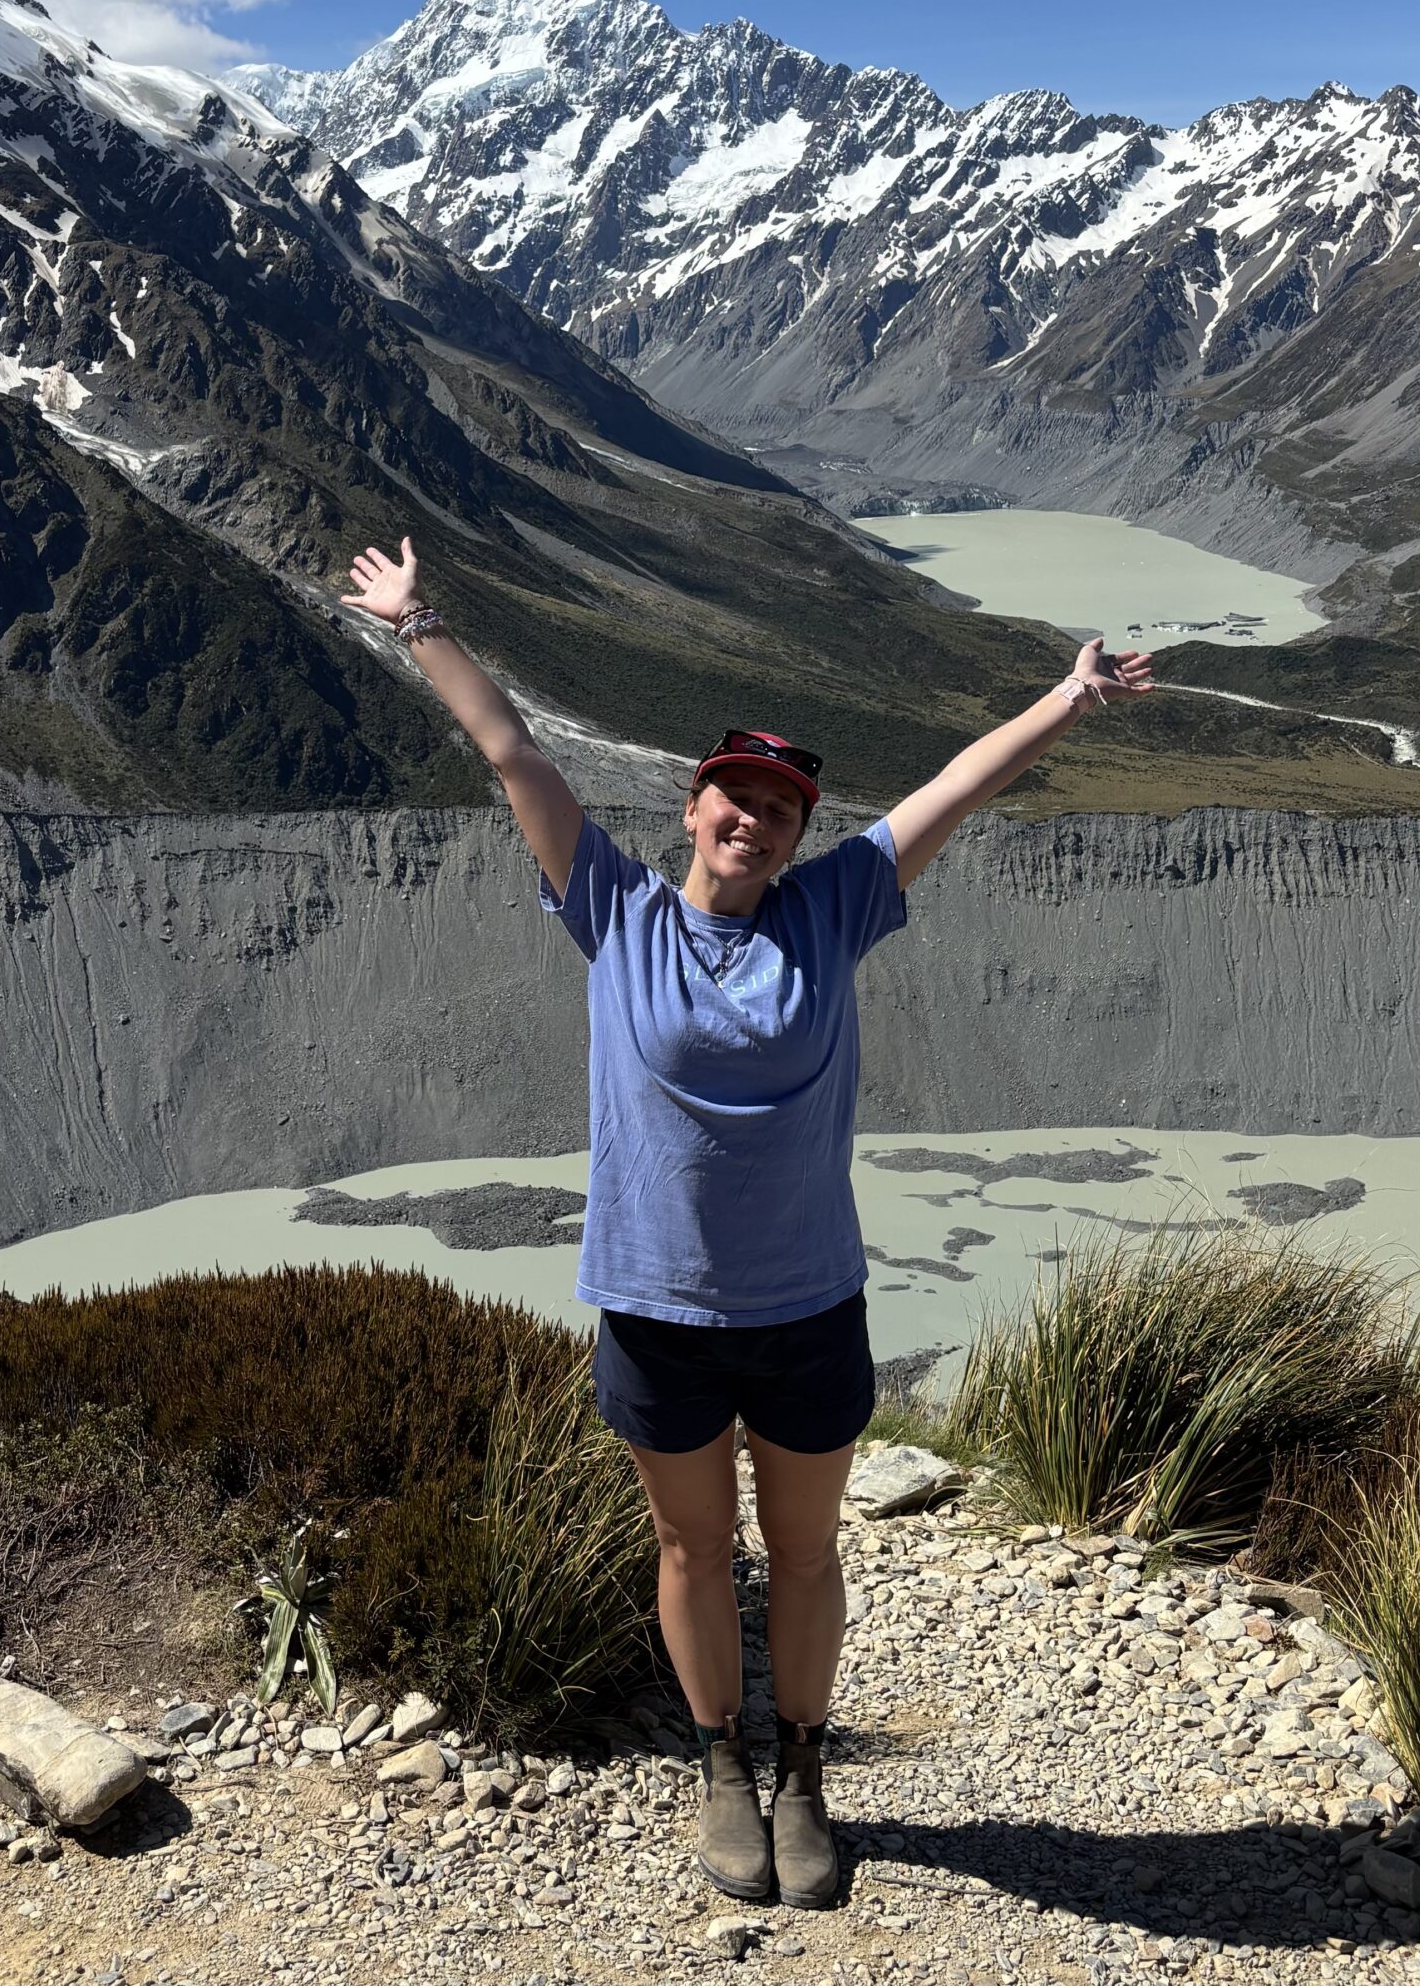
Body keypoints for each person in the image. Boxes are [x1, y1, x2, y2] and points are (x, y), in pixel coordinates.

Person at [341, 535, 1153, 1908]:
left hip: (806, 1310)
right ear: (692, 805)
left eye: (782, 805)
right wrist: (419, 624)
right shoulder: (615, 912)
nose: (757, 820)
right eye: (737, 795)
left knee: (810, 1548)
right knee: (691, 1547)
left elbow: (957, 784)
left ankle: (804, 1770)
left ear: (798, 831)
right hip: (656, 1311)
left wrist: (1069, 697)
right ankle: (722, 1765)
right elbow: (516, 759)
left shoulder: (835, 910)